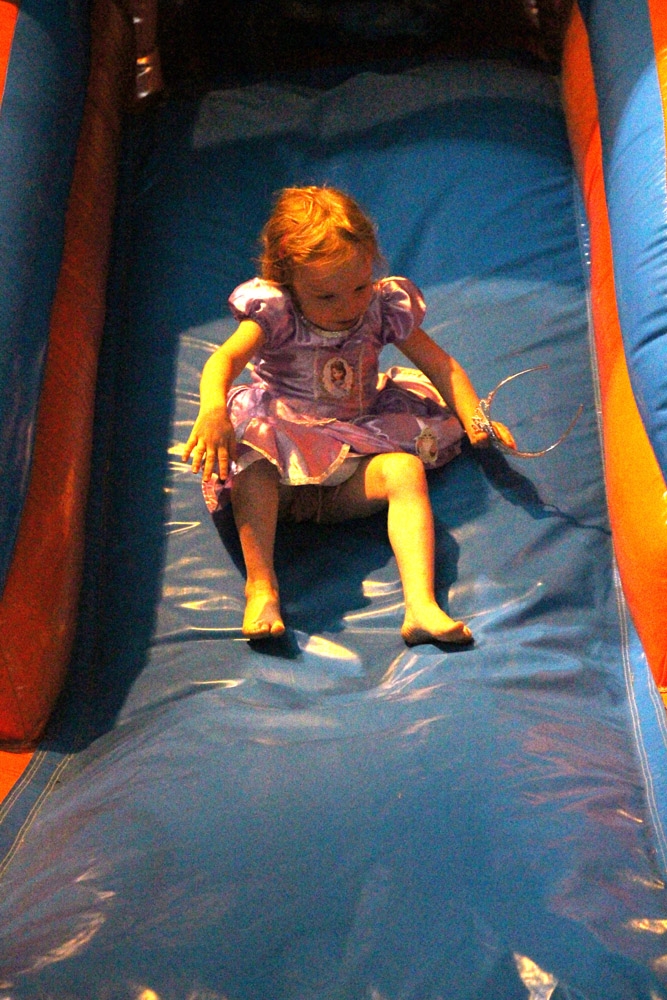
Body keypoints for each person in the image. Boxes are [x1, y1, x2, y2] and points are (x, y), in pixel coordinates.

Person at [183, 186, 515, 644]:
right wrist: (214, 410)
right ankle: (261, 588)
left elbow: (441, 365)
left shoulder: (380, 308)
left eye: (359, 287)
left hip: (351, 465)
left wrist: (475, 417)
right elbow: (224, 360)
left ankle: (421, 605)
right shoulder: (276, 313)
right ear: (287, 282)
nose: (348, 306)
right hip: (284, 467)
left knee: (405, 470)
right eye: (326, 297)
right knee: (252, 463)